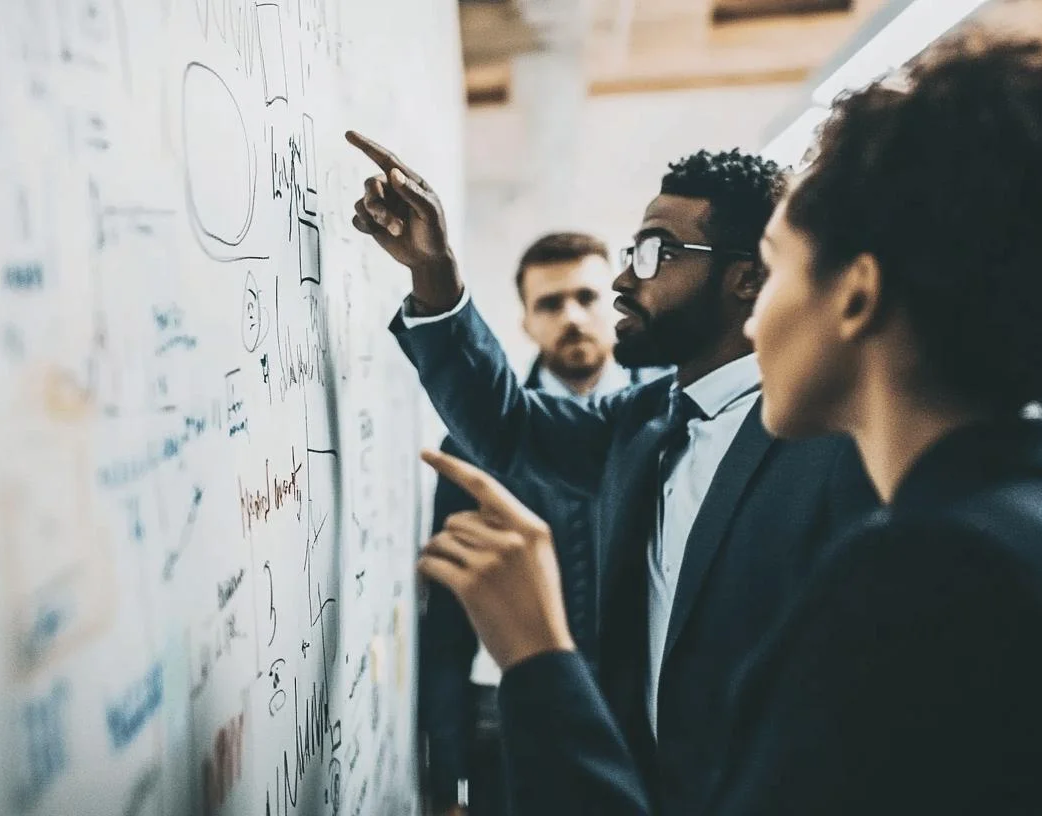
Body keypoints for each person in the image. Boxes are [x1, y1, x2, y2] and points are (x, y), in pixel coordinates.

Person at [413, 34, 1042, 814]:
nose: (756, 322)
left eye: (779, 268)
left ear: (855, 296)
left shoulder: (936, 575)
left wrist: (538, 656)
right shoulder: (1027, 534)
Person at [346, 134, 873, 814]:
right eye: (632, 253)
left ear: (746, 277)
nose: (626, 279)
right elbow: (508, 425)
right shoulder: (646, 421)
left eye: (656, 252)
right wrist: (435, 274)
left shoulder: (832, 442)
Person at [420, 232, 662, 816]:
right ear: (526, 322)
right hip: (513, 718)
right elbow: (449, 618)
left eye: (587, 296)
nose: (572, 317)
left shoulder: (669, 426)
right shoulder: (476, 444)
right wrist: (447, 776)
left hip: (655, 723)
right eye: (550, 304)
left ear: (617, 306)